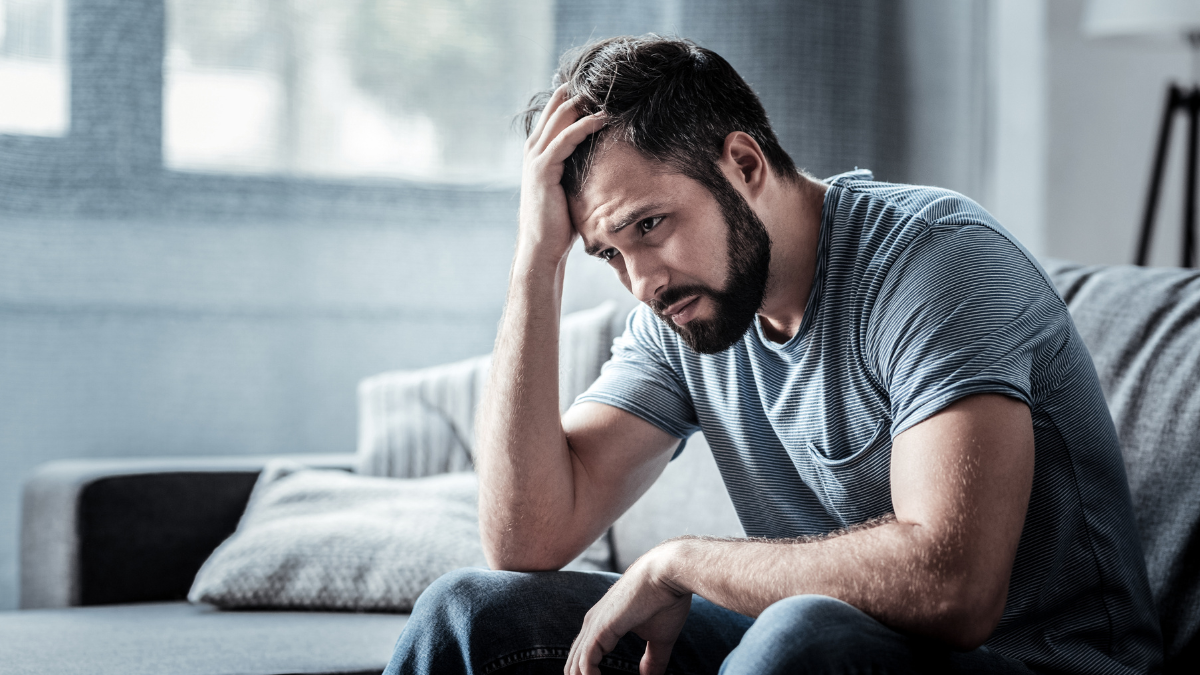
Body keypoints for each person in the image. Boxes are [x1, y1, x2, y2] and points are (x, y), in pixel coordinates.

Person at [384, 35, 1162, 675]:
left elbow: (952, 585)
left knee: (799, 638)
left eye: (651, 225)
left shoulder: (937, 262)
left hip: (1040, 666)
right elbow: (526, 535)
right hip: (824, 649)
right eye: (609, 255)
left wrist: (679, 561)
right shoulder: (685, 312)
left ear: (745, 164)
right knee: (473, 613)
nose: (642, 281)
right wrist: (535, 261)